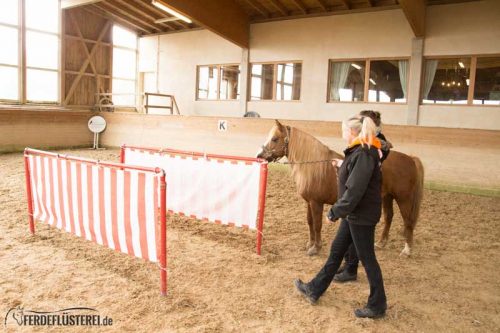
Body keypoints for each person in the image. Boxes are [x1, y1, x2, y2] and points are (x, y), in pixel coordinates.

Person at [294, 115, 387, 319]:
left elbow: (354, 190)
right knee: (336, 251)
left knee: (368, 258)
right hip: (355, 214)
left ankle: (378, 304)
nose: (341, 133)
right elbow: (355, 173)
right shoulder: (359, 151)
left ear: (352, 132)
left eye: (343, 129)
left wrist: (334, 212)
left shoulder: (363, 153)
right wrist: (343, 164)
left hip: (360, 215)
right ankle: (314, 289)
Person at [334, 110, 392, 283]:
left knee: (366, 255)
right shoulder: (363, 145)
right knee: (339, 247)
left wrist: (338, 209)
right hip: (355, 207)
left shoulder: (370, 145)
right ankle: (321, 282)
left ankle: (376, 299)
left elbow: (356, 186)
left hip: (361, 207)